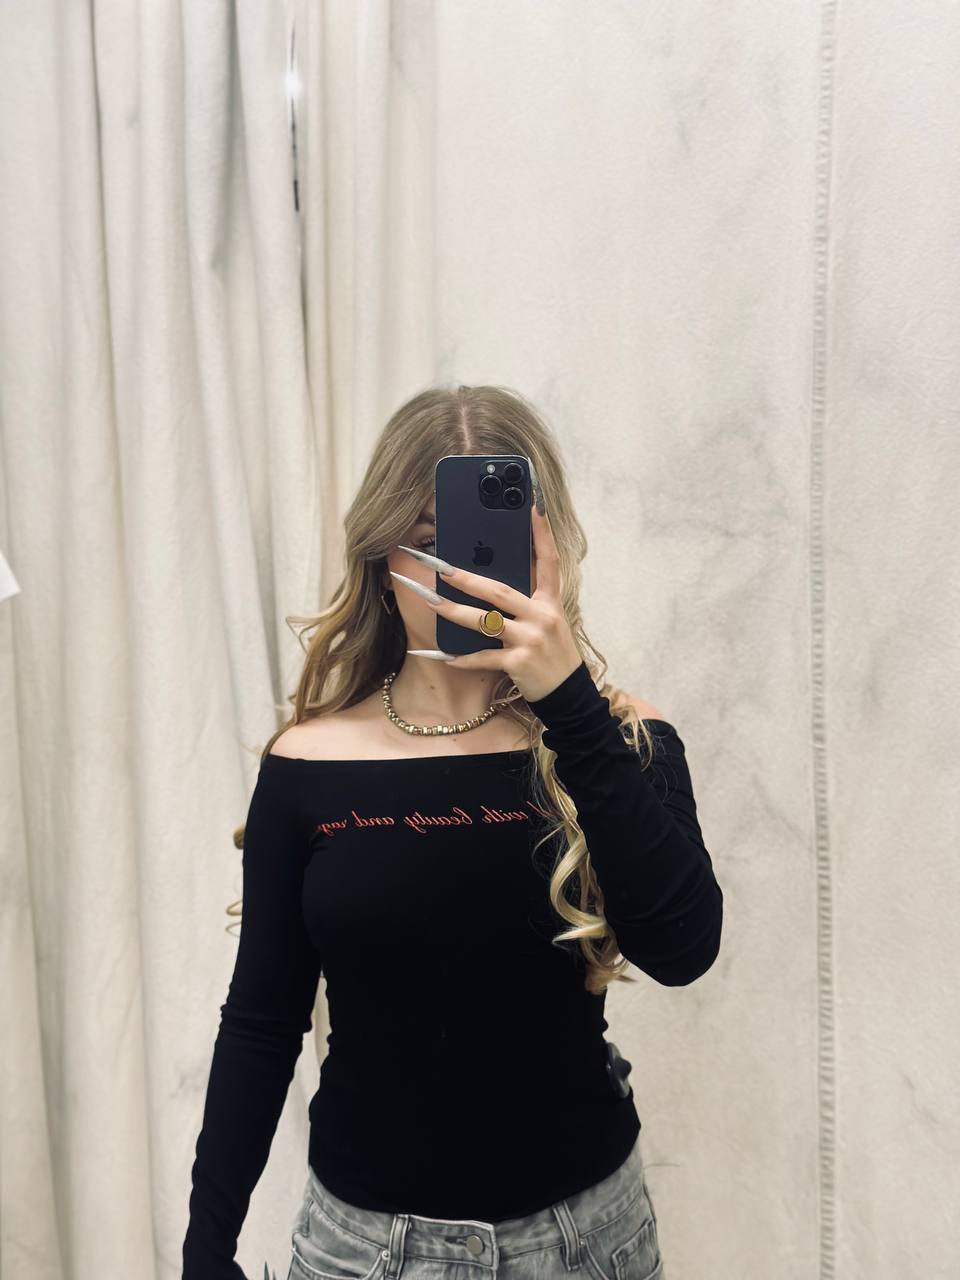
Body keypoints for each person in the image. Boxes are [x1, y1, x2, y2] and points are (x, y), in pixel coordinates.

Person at [182, 385, 723, 1280]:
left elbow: (684, 949)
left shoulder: (619, 740)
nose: (460, 577)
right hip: (365, 1253)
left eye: (489, 546)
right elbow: (262, 1021)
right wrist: (207, 1251)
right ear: (380, 554)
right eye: (429, 543)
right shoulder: (308, 764)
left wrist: (571, 707)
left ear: (546, 555)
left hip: (587, 1244)